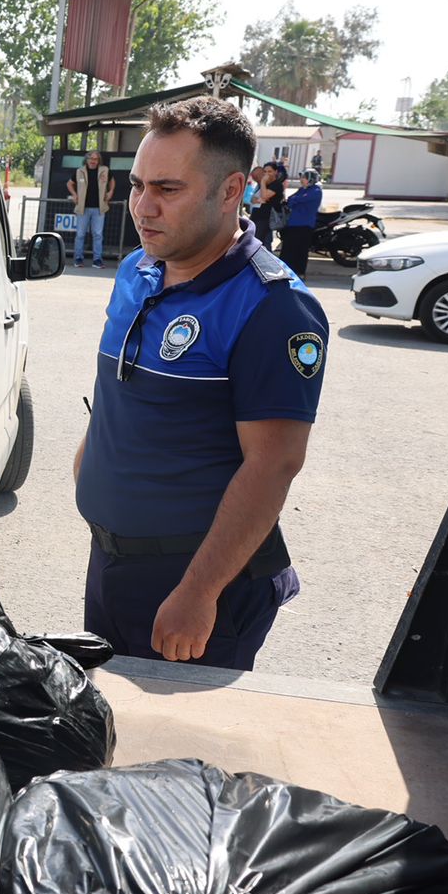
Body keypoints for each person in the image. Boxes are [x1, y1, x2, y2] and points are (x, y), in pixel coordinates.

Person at [75, 97, 327, 671]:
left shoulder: (272, 307)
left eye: (168, 189)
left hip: (195, 584)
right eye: (137, 185)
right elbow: (121, 391)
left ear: (231, 189)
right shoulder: (137, 268)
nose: (143, 206)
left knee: (176, 757)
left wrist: (198, 593)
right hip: (114, 563)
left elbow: (273, 464)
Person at [65, 150, 115, 268]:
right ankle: (78, 259)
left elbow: (112, 181)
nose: (93, 161)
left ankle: (97, 260)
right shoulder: (79, 171)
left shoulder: (105, 170)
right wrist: (74, 194)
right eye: (91, 159)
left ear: (98, 160)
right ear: (86, 160)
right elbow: (69, 183)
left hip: (99, 208)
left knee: (98, 234)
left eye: (95, 159)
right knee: (80, 234)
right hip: (83, 208)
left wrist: (110, 191)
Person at [280, 168, 323, 279]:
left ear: (310, 179)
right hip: (293, 224)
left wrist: (295, 200)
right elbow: (290, 200)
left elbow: (297, 200)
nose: (301, 179)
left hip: (304, 225)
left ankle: (300, 273)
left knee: (301, 250)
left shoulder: (316, 191)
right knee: (288, 249)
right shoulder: (302, 189)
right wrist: (295, 200)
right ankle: (285, 272)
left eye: (304, 177)